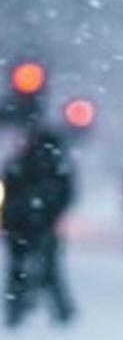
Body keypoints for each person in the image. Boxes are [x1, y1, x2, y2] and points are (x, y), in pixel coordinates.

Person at [2, 120, 77, 329]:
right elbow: (65, 196)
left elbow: (7, 191)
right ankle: (62, 313)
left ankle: (16, 313)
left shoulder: (20, 163)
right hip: (40, 225)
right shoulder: (56, 166)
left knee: (19, 271)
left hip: (20, 224)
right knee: (49, 271)